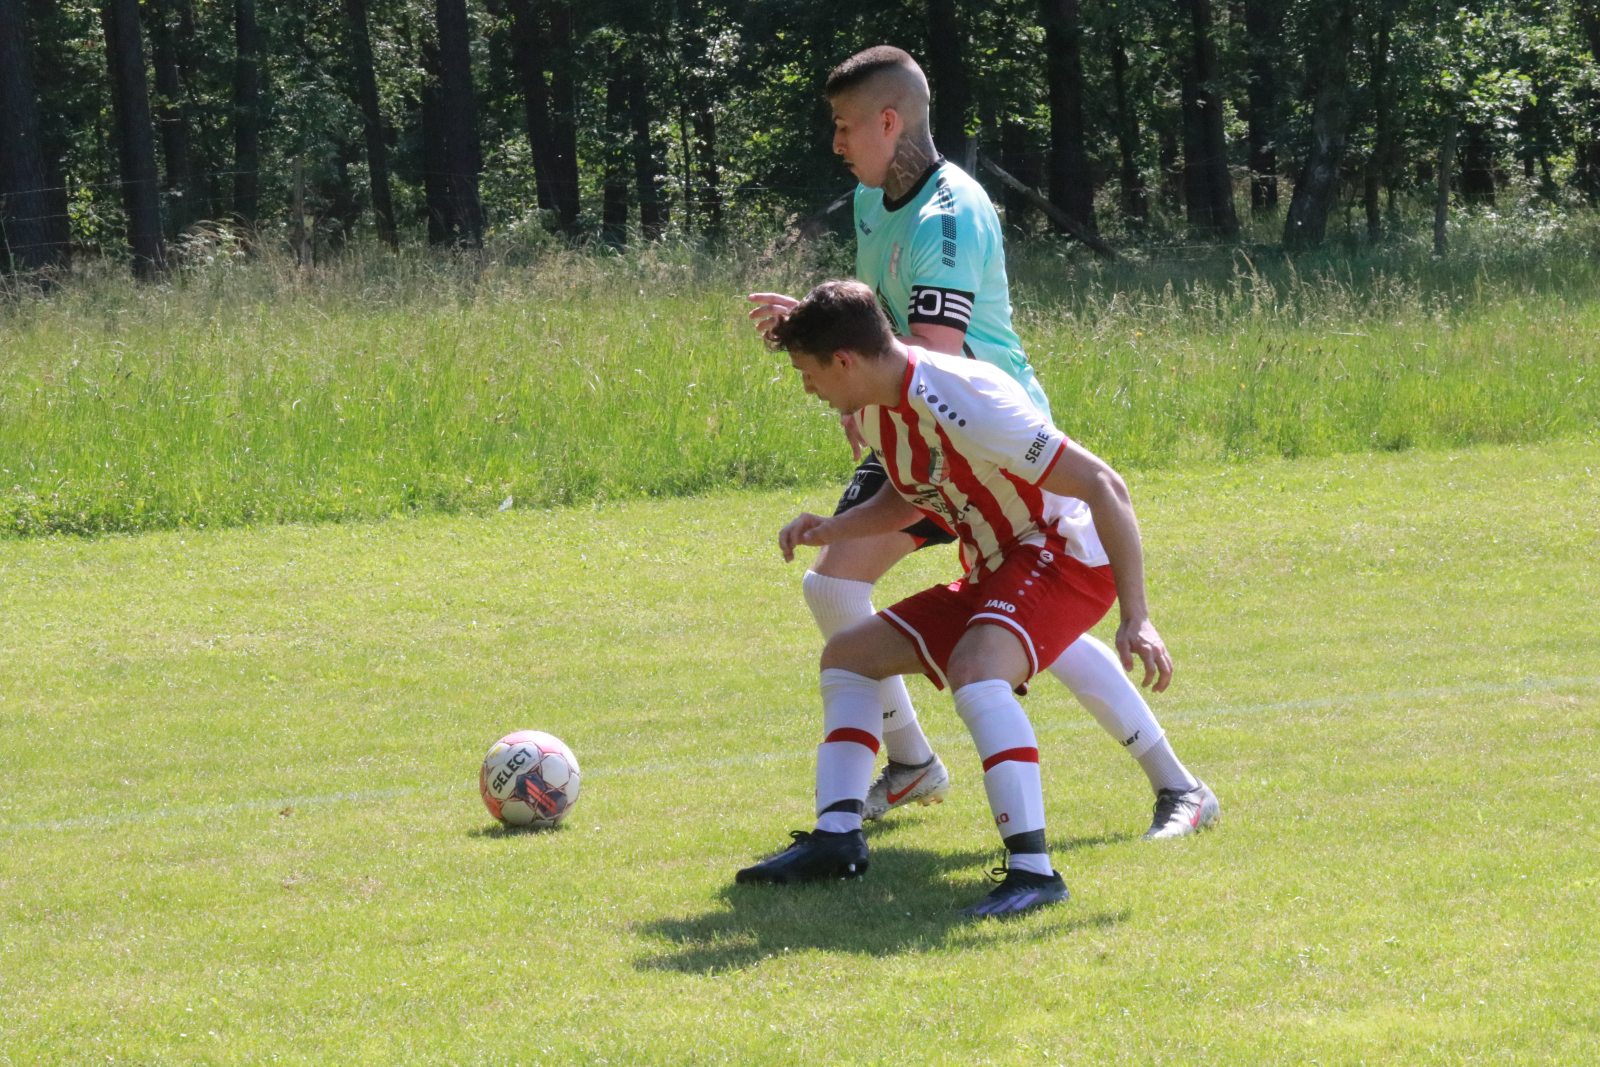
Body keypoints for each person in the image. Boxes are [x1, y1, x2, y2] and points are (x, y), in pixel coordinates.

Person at [748, 46, 1216, 838]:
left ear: (889, 122)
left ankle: (932, 775)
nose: (837, 143)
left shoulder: (949, 214)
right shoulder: (871, 200)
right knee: (1019, 620)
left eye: (846, 126)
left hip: (982, 441)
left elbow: (930, 352)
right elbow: (879, 335)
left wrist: (843, 362)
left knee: (982, 614)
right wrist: (829, 344)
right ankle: (1170, 784)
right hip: (913, 426)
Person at [737, 280, 1174, 917]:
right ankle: (836, 839)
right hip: (996, 565)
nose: (808, 388)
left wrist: (1138, 616)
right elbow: (914, 494)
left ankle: (1034, 872)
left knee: (977, 670)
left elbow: (1104, 484)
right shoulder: (875, 404)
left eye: (808, 373)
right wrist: (835, 528)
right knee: (849, 656)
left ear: (845, 361)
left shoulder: (964, 397)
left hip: (1062, 553)